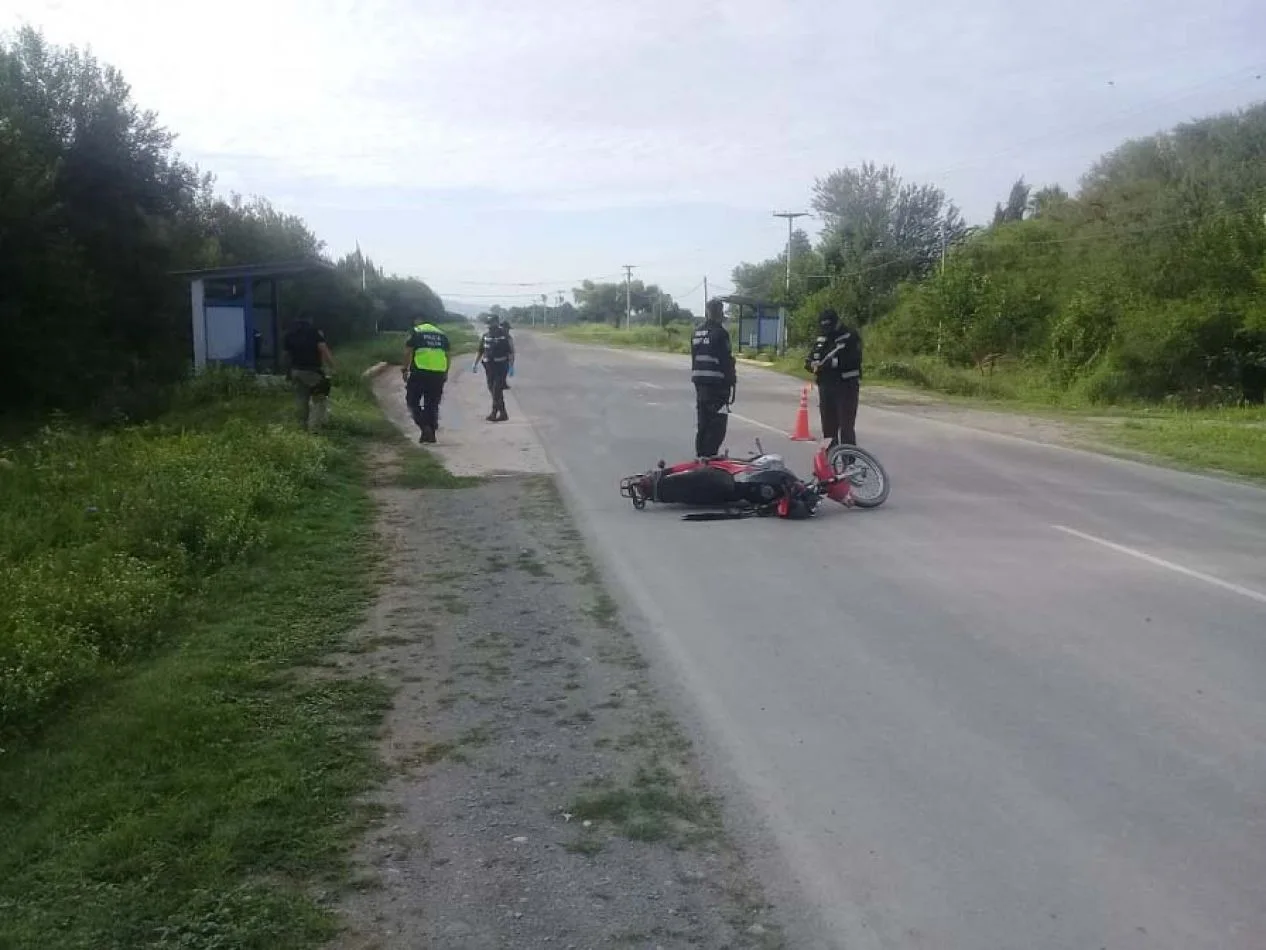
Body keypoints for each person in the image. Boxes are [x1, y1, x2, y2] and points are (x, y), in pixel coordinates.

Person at [804, 308, 863, 447]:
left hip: (845, 387)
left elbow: (854, 360)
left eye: (829, 326)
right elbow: (811, 357)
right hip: (826, 387)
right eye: (823, 326)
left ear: (836, 322)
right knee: (828, 428)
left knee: (846, 428)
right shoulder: (822, 338)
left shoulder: (850, 337)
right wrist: (811, 364)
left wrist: (831, 364)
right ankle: (829, 464)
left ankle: (849, 463)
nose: (826, 329)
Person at [690, 298, 736, 459]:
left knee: (703, 421)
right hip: (717, 386)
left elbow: (694, 357)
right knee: (717, 424)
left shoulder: (696, 332)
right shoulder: (721, 333)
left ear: (707, 311)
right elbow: (725, 361)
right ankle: (709, 457)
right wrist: (731, 381)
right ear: (720, 312)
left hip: (700, 384)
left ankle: (701, 454)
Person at [282, 313, 336, 431]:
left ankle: (301, 427)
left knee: (301, 400)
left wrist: (288, 373)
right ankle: (315, 428)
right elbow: (323, 349)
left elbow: (285, 356)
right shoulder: (314, 332)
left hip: (295, 371)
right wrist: (333, 366)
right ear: (310, 319)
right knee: (320, 398)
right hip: (312, 372)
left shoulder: (289, 334)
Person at [403, 319, 451, 443]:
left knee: (412, 401)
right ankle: (431, 433)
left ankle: (425, 427)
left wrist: (404, 369)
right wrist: (445, 372)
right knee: (432, 404)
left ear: (418, 320)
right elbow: (447, 355)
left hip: (420, 372)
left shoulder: (416, 331)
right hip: (438, 373)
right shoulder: (442, 334)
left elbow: (408, 351)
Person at [474, 318, 514, 421]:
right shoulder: (485, 336)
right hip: (489, 367)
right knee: (492, 389)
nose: (489, 326)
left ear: (496, 323)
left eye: (491, 324)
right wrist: (475, 364)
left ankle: (494, 412)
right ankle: (503, 413)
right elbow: (480, 351)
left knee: (496, 390)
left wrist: (511, 366)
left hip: (500, 367)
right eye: (489, 324)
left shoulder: (504, 337)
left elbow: (510, 353)